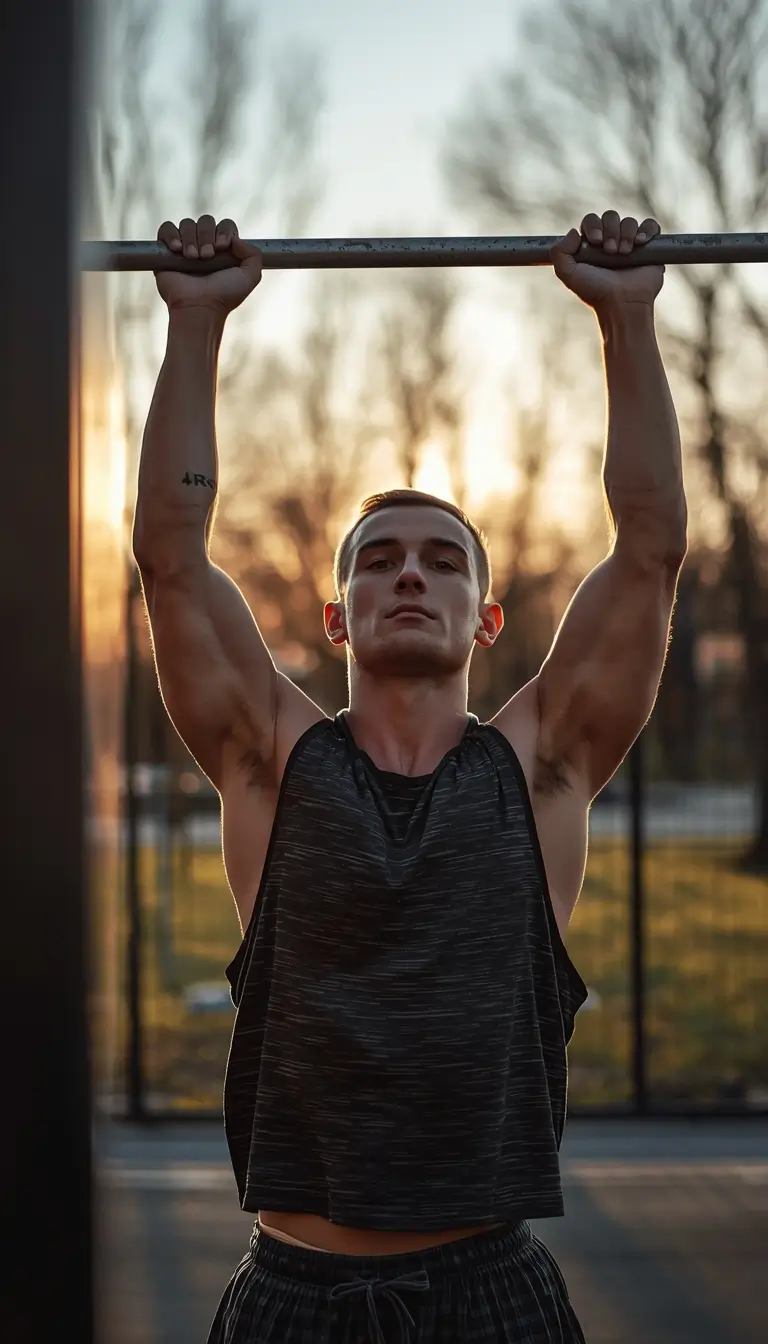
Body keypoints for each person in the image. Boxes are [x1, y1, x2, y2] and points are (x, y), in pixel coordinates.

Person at [133, 208, 687, 1343]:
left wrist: (625, 321)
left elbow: (648, 551)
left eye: (443, 561)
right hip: (294, 1298)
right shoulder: (275, 765)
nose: (409, 576)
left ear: (485, 619)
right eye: (378, 561)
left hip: (490, 1297)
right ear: (337, 615)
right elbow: (172, 559)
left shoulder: (541, 772)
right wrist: (196, 325)